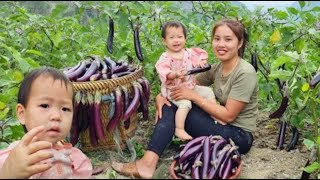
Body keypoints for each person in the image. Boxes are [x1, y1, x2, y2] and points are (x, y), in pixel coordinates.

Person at [111, 18, 258, 179]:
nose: (221, 44)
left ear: (239, 43)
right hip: (219, 124)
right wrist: (162, 96)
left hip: (238, 136)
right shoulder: (218, 67)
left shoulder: (245, 73)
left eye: (228, 39)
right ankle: (147, 164)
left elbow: (229, 115)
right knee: (174, 102)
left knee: (177, 106)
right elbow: (185, 85)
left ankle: (147, 164)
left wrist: (191, 96)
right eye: (217, 39)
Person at [0, 67, 92, 179]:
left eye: (65, 109)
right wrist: (9, 173)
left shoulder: (74, 156)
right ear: (22, 114)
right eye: (44, 106)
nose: (56, 116)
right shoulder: (17, 157)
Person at [155, 21, 216, 140]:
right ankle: (179, 129)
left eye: (179, 37)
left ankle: (213, 114)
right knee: (185, 104)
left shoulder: (189, 53)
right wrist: (174, 74)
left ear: (185, 39)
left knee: (208, 91)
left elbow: (200, 58)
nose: (176, 40)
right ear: (164, 41)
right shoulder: (165, 57)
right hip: (174, 90)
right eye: (172, 37)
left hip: (190, 87)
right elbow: (163, 71)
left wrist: (200, 62)